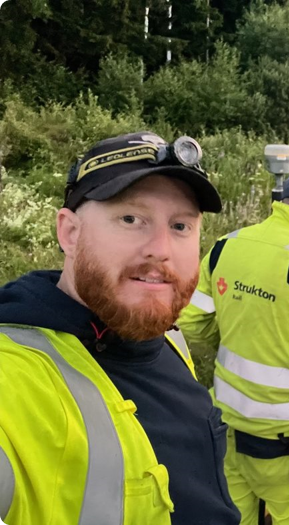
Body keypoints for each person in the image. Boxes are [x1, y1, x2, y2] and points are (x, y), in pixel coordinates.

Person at [0, 132, 241, 525]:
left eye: (180, 226)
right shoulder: (14, 377)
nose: (160, 248)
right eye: (131, 219)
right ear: (70, 233)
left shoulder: (167, 339)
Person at [178, 168, 289, 525]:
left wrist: (234, 339)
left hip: (228, 429)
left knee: (235, 516)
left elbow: (193, 324)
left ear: (280, 205)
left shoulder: (226, 247)